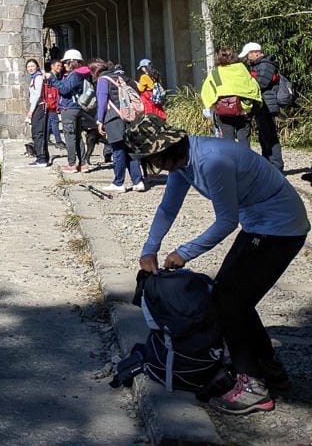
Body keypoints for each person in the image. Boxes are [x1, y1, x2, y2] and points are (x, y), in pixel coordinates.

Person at [129, 114, 309, 415]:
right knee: (229, 297)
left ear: (167, 148)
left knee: (229, 302)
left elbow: (227, 221)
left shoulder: (212, 161)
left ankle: (253, 387)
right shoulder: (183, 162)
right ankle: (269, 372)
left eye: (153, 158)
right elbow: (168, 207)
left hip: (281, 227)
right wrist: (150, 249)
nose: (155, 167)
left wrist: (185, 252)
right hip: (259, 224)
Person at [95, 62, 144, 193]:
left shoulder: (103, 80)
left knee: (117, 151)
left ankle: (118, 183)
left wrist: (100, 120)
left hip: (113, 118)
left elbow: (102, 101)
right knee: (129, 151)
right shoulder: (121, 78)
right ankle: (138, 181)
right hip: (128, 117)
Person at [201, 48, 262, 146]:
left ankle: (231, 160)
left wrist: (210, 106)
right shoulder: (242, 69)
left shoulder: (216, 73)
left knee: (228, 142)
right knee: (244, 141)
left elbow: (207, 91)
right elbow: (253, 87)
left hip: (224, 112)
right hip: (243, 110)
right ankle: (245, 160)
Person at [240, 42, 284, 172]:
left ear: (256, 53)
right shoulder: (259, 65)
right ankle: (268, 164)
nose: (247, 58)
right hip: (261, 104)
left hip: (267, 105)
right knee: (264, 136)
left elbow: (261, 83)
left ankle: (276, 166)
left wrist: (247, 81)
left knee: (269, 136)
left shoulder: (266, 65)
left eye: (248, 55)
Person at [55, 49, 98, 172]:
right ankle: (83, 164)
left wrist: (53, 80)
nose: (63, 65)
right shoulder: (84, 73)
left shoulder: (74, 75)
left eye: (66, 62)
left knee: (70, 136)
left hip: (69, 108)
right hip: (79, 107)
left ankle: (72, 164)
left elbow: (64, 89)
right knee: (78, 136)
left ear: (72, 62)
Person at [24, 58, 50, 166]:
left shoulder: (38, 78)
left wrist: (31, 111)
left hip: (39, 107)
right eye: (28, 67)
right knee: (37, 132)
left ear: (37, 67)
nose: (30, 68)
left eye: (32, 66)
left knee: (38, 133)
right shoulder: (33, 78)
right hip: (37, 107)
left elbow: (37, 95)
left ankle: (42, 158)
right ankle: (42, 156)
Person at [46, 58, 66, 147]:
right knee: (55, 121)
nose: (60, 68)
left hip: (53, 102)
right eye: (58, 66)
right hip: (51, 102)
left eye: (61, 66)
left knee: (50, 121)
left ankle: (46, 139)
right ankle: (58, 141)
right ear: (52, 66)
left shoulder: (56, 76)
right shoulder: (50, 77)